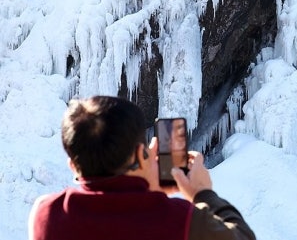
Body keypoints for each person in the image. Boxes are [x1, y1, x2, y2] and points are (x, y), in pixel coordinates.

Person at [28, 96, 256, 240]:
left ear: (73, 164)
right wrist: (202, 193)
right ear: (140, 153)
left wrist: (144, 192)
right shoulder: (183, 221)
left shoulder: (46, 214)